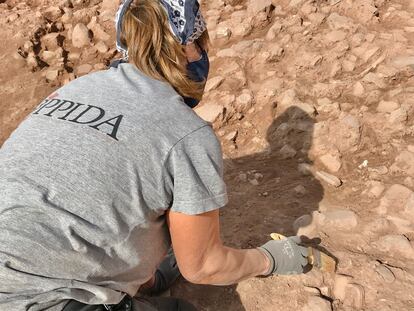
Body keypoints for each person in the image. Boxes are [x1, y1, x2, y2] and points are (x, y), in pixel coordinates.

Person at [0, 0, 310, 310]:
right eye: (200, 46)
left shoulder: (74, 90)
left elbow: (86, 194)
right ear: (187, 46)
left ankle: (141, 282)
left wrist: (145, 275)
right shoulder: (185, 133)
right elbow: (203, 266)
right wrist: (269, 259)